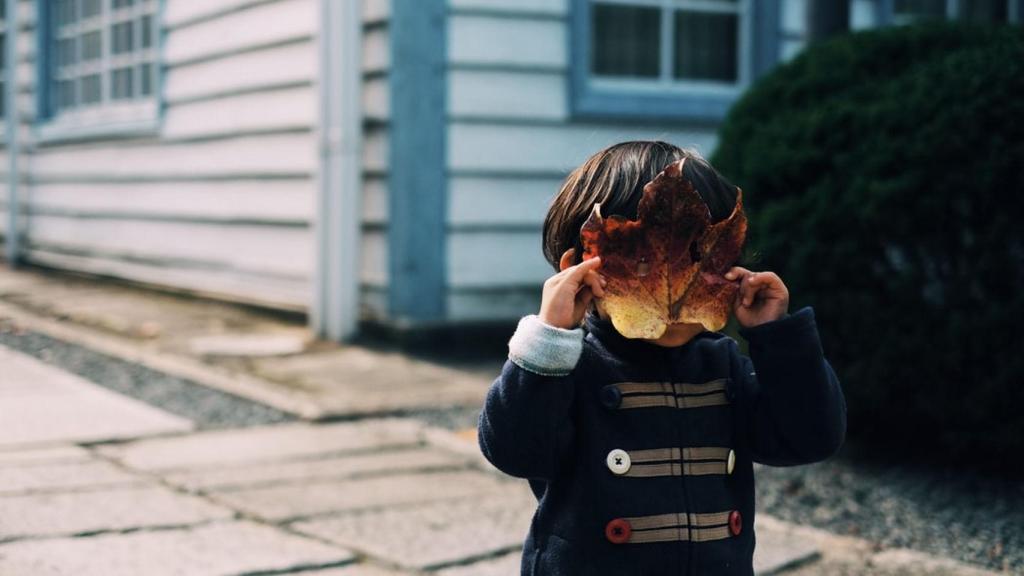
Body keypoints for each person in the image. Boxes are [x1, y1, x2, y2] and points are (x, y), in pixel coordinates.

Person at [477, 141, 848, 575]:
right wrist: (549, 338)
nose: (672, 283)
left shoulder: (724, 366)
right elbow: (514, 451)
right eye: (639, 263)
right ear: (580, 270)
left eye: (697, 257)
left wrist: (777, 338)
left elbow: (810, 437)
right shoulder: (569, 368)